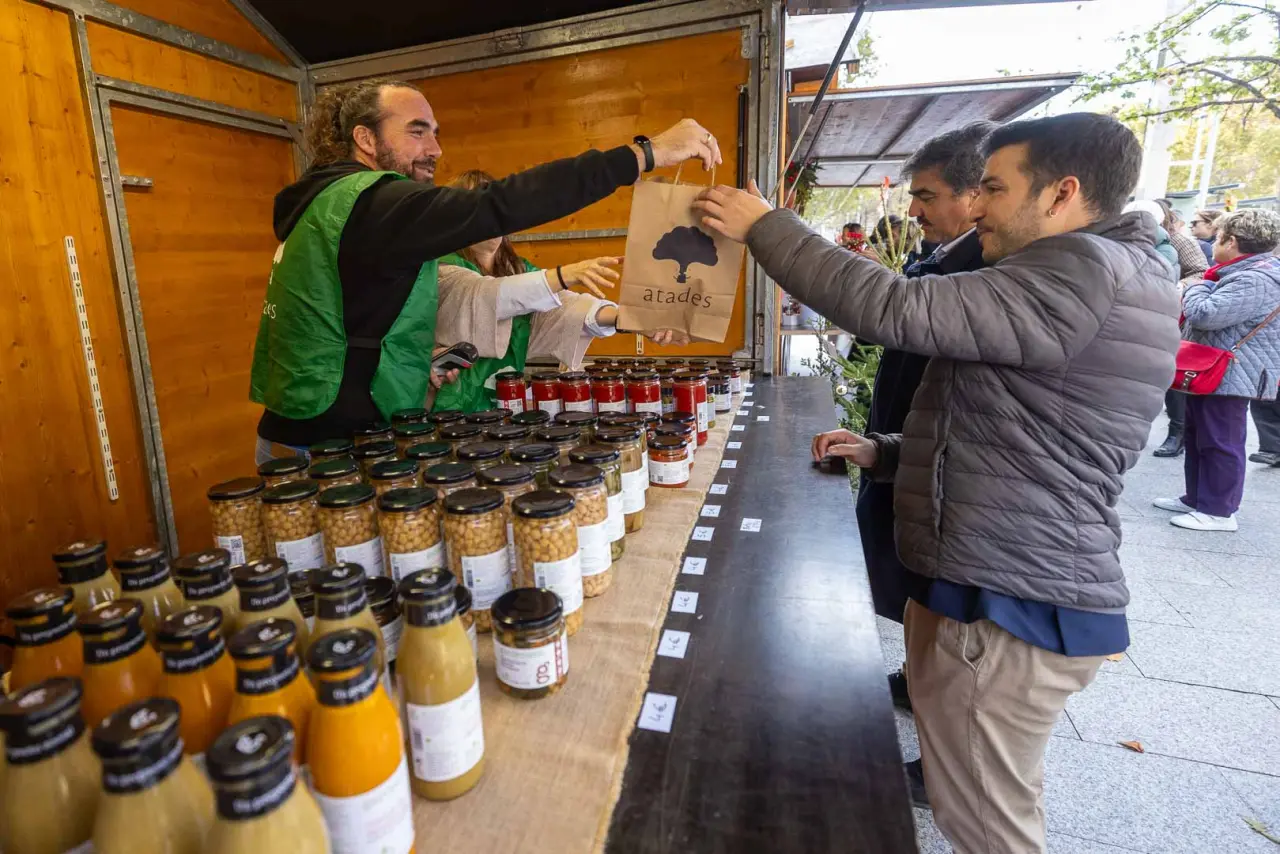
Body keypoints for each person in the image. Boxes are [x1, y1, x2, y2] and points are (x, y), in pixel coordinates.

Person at [694, 112, 1179, 854]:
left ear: (1062, 193)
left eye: (994, 188)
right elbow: (1017, 424)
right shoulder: (1102, 269)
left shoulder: (1081, 268)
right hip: (1005, 573)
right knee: (982, 798)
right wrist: (887, 452)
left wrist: (767, 226)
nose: (975, 206)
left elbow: (897, 309)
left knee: (986, 823)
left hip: (1009, 596)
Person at [249, 78, 720, 461]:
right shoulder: (373, 204)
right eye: (417, 131)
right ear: (365, 139)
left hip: (308, 428)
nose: (435, 149)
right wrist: (644, 154)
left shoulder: (331, 205)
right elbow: (500, 208)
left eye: (436, 133)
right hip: (329, 449)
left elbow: (352, 322)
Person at [827, 122, 994, 809]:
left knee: (955, 620)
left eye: (926, 196)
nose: (913, 209)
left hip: (959, 488)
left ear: (975, 195)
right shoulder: (944, 255)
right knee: (918, 589)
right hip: (910, 451)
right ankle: (917, 678)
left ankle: (948, 766)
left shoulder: (989, 272)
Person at [432, 170, 681, 411]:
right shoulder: (444, 268)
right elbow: (490, 295)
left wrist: (631, 320)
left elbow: (564, 307)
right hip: (450, 408)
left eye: (495, 206)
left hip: (505, 404)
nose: (491, 216)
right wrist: (564, 275)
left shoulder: (517, 269)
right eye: (477, 207)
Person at [1153, 208, 1280, 531]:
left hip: (1232, 372)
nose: (1213, 243)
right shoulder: (1238, 272)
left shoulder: (1255, 278)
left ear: (1232, 241)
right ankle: (1197, 498)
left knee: (1221, 441)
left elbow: (1206, 315)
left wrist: (1194, 287)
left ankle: (1219, 511)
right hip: (1217, 368)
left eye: (1218, 237)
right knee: (1200, 434)